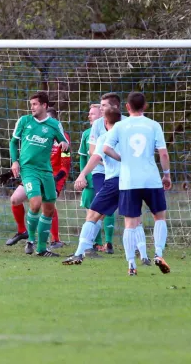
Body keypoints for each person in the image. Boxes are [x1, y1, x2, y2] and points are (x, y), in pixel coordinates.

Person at [103, 92, 172, 276]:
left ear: (127, 107)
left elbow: (105, 149)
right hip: (151, 179)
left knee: (130, 224)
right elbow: (163, 154)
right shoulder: (153, 125)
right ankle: (158, 253)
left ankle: (131, 264)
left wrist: (121, 158)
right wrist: (166, 175)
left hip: (129, 181)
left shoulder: (119, 125)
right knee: (160, 217)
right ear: (145, 106)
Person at [9, 92, 69, 257]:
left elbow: (64, 143)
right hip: (29, 170)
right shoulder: (24, 121)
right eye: (31, 104)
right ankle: (30, 240)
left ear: (44, 105)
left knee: (49, 209)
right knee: (35, 203)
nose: (32, 107)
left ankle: (42, 249)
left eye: (35, 104)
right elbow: (13, 142)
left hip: (46, 171)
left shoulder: (54, 124)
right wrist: (15, 161)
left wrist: (64, 144)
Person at [62, 107, 123, 265]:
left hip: (114, 180)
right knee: (134, 219)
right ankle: (145, 257)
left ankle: (79, 253)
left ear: (105, 120)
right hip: (134, 181)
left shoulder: (105, 137)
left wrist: (82, 174)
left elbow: (95, 157)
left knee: (92, 215)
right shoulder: (130, 134)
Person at [88, 93, 128, 253]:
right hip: (99, 171)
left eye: (103, 105)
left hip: (123, 174)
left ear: (115, 107)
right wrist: (105, 161)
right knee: (96, 209)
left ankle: (134, 248)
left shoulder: (127, 123)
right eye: (100, 105)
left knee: (131, 210)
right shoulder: (96, 126)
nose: (100, 108)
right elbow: (92, 152)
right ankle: (89, 245)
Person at [77, 104, 105, 250]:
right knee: (92, 211)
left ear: (102, 114)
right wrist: (84, 176)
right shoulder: (87, 134)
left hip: (111, 176)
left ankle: (104, 243)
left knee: (106, 211)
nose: (89, 116)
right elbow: (83, 157)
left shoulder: (114, 130)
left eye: (92, 114)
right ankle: (92, 244)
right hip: (92, 178)